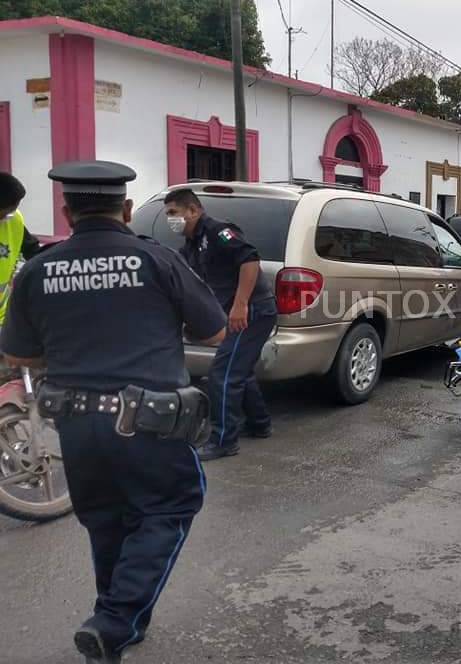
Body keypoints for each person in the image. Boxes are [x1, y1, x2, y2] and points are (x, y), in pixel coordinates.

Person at [0, 161, 226, 663]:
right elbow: (213, 331)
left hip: (77, 425)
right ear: (125, 209)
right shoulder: (157, 259)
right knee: (171, 505)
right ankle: (116, 619)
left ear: (66, 211)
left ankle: (117, 622)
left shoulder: (38, 270)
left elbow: (21, 355)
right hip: (149, 423)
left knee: (106, 520)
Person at [163, 189, 278, 461]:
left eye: (173, 213)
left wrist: (240, 306)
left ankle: (223, 440)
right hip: (234, 312)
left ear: (192, 210)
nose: (170, 219)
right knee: (239, 368)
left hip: (253, 310)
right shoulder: (190, 246)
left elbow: (249, 259)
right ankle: (260, 424)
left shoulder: (218, 231)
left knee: (222, 373)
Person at [0, 172, 44, 323]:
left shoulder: (14, 219)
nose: (10, 215)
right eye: (5, 212)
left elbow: (33, 251)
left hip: (2, 317)